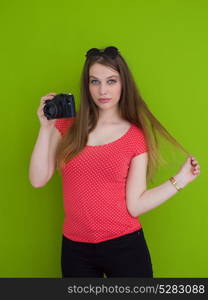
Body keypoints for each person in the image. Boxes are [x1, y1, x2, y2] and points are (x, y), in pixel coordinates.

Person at [29, 46, 200, 278]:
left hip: (125, 248)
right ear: (87, 86)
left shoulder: (135, 137)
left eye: (111, 81)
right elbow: (38, 179)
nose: (102, 90)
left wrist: (181, 179)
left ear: (123, 84)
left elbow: (135, 205)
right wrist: (45, 128)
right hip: (75, 250)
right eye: (94, 81)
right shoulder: (67, 127)